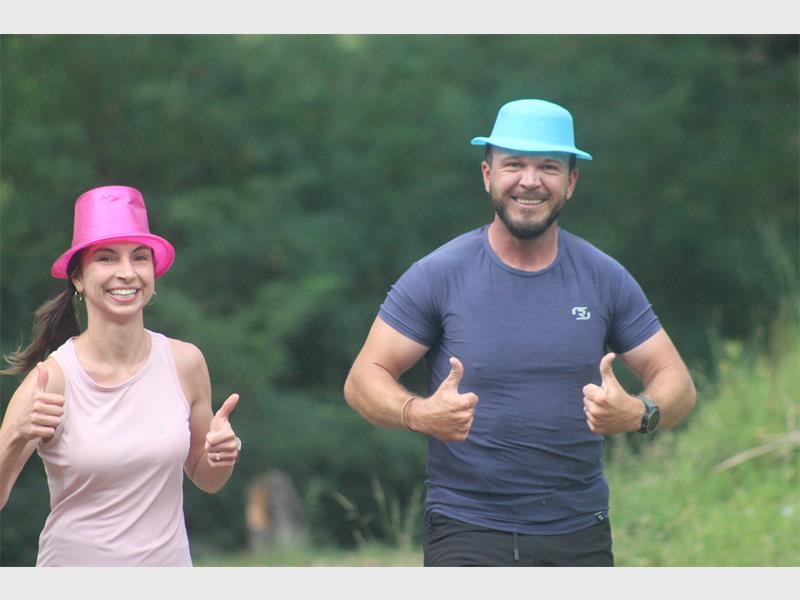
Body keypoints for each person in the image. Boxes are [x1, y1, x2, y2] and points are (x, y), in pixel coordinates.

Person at [343, 99, 697, 567]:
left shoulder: (603, 277)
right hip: (465, 530)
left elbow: (679, 383)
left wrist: (638, 412)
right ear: (488, 175)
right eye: (514, 164)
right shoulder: (439, 274)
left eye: (548, 166)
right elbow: (362, 378)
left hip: (579, 531)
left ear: (571, 182)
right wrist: (419, 413)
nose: (530, 181)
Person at [0, 185, 242, 566]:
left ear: (153, 271)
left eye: (139, 258)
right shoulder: (53, 379)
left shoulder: (186, 363)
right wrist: (16, 435)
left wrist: (221, 455)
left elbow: (206, 477)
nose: (127, 273)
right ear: (78, 277)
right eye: (107, 258)